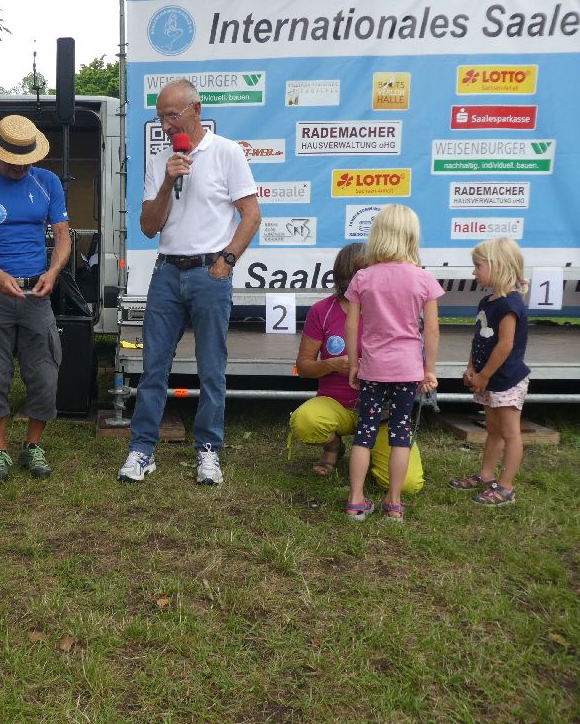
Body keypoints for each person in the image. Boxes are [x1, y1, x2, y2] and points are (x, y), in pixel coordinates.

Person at [118, 78, 260, 486]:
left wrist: (226, 261)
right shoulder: (161, 160)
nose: (166, 125)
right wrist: (168, 181)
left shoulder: (227, 152)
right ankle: (142, 449)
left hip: (209, 272)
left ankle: (208, 449)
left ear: (196, 110)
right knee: (153, 366)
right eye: (160, 118)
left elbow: (251, 215)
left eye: (172, 115)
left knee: (211, 368)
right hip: (166, 271)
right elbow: (148, 227)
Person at [0, 114, 71, 485]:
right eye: (13, 161)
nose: (20, 167)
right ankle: (0, 451)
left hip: (37, 294)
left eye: (26, 161)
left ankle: (33, 446)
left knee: (45, 374)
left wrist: (52, 273)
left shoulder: (47, 182)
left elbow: (63, 236)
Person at [289, 243, 424, 491]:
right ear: (347, 276)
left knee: (407, 485)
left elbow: (415, 364)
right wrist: (332, 364)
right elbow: (303, 367)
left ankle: (370, 452)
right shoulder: (322, 310)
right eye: (369, 271)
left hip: (383, 412)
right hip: (338, 405)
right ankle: (334, 446)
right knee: (306, 421)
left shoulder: (395, 310)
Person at [344, 204, 443, 522]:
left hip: (373, 368)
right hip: (408, 369)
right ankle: (394, 503)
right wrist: (430, 369)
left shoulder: (363, 277)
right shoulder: (423, 278)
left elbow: (351, 326)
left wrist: (354, 364)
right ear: (412, 236)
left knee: (365, 432)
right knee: (401, 433)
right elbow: (432, 330)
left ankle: (355, 500)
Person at [449, 238, 530, 506]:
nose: (474, 272)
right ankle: (486, 475)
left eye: (478, 266)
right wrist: (472, 368)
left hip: (507, 380)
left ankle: (506, 487)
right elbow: (480, 339)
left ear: (498, 266)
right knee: (493, 429)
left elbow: (505, 345)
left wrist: (484, 375)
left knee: (509, 432)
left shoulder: (510, 304)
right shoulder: (486, 301)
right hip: (489, 378)